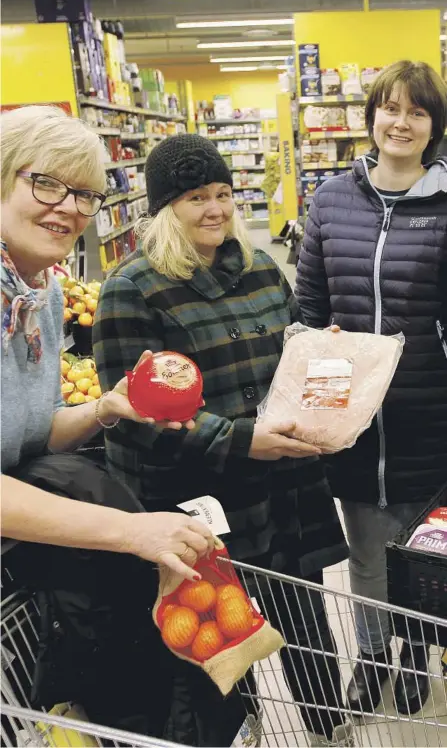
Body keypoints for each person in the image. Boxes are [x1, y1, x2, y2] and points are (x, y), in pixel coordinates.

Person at [93, 133, 352, 747]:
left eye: (222, 193)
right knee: (220, 623)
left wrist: (320, 355)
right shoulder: (133, 288)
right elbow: (136, 411)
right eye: (193, 197)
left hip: (282, 480)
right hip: (197, 494)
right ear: (163, 209)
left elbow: (290, 353)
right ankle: (242, 722)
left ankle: (327, 724)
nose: (215, 208)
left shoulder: (261, 267)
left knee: (301, 609)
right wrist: (242, 440)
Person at [0, 105, 214, 579]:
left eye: (84, 194)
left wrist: (105, 409)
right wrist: (129, 531)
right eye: (46, 184)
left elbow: (38, 433)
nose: (70, 207)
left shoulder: (43, 294)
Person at [295, 60, 447, 715]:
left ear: (433, 126)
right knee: (362, 553)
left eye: (417, 111)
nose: (401, 122)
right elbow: (306, 304)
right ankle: (370, 653)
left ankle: (414, 655)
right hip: (348, 415)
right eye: (391, 108)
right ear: (371, 118)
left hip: (427, 412)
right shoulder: (330, 200)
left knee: (417, 552)